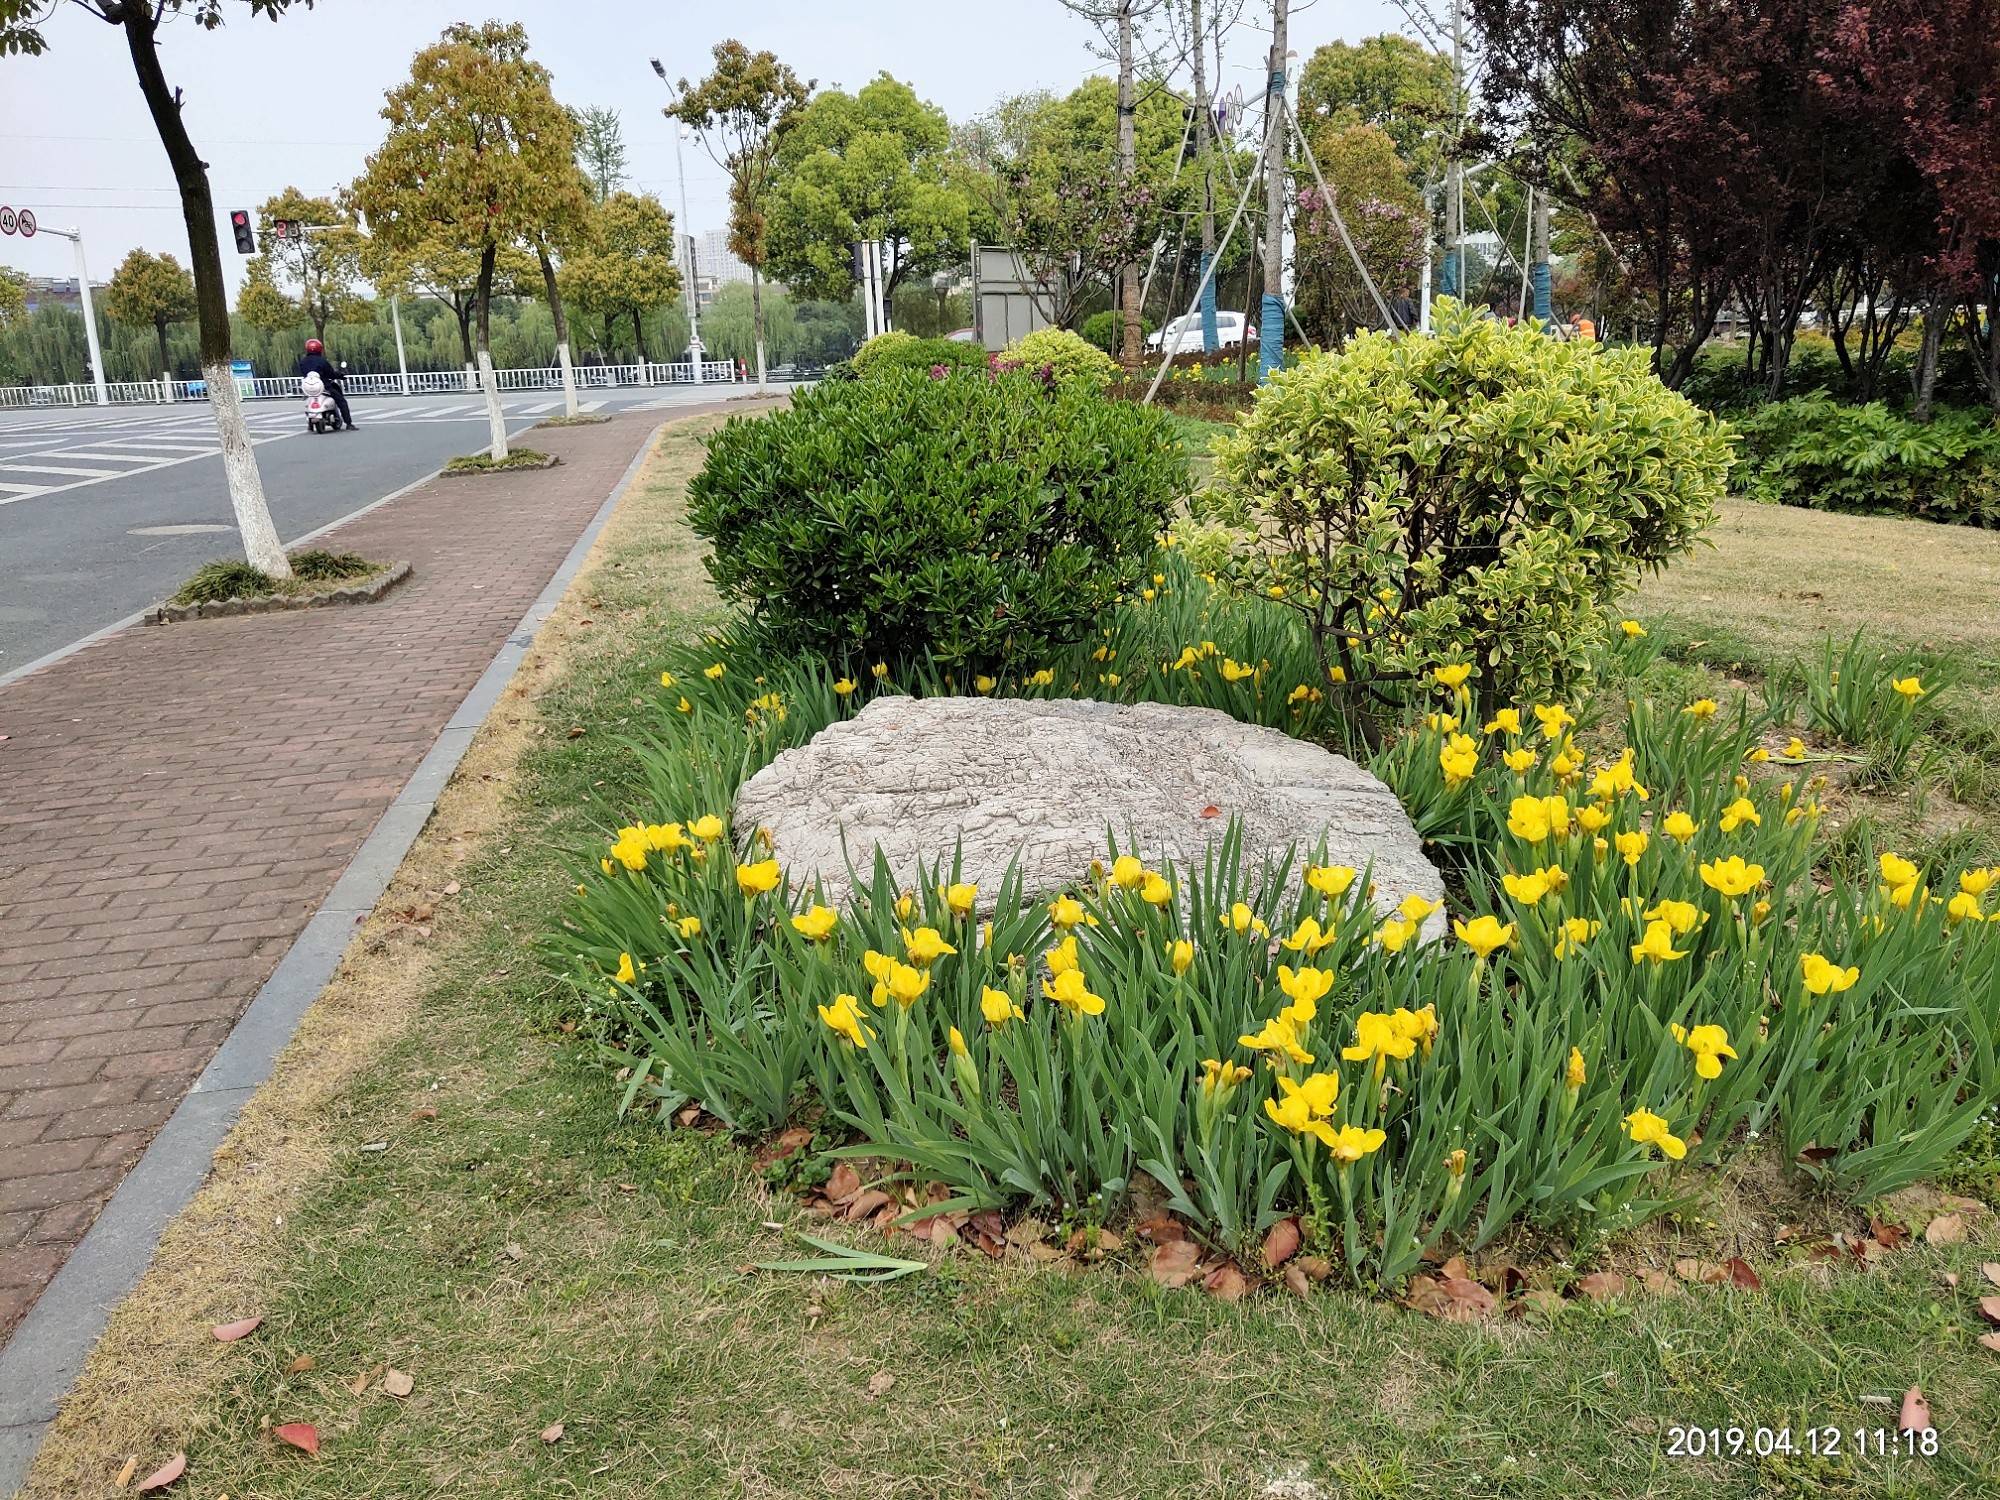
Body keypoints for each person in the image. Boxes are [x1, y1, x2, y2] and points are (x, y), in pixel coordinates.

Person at [296, 338, 354, 430]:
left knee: (308, 401)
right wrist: (340, 375)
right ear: (319, 348)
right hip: (324, 386)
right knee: (341, 401)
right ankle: (349, 423)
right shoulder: (322, 361)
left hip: (308, 388)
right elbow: (330, 373)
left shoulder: (302, 362)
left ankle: (310, 425)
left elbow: (303, 373)